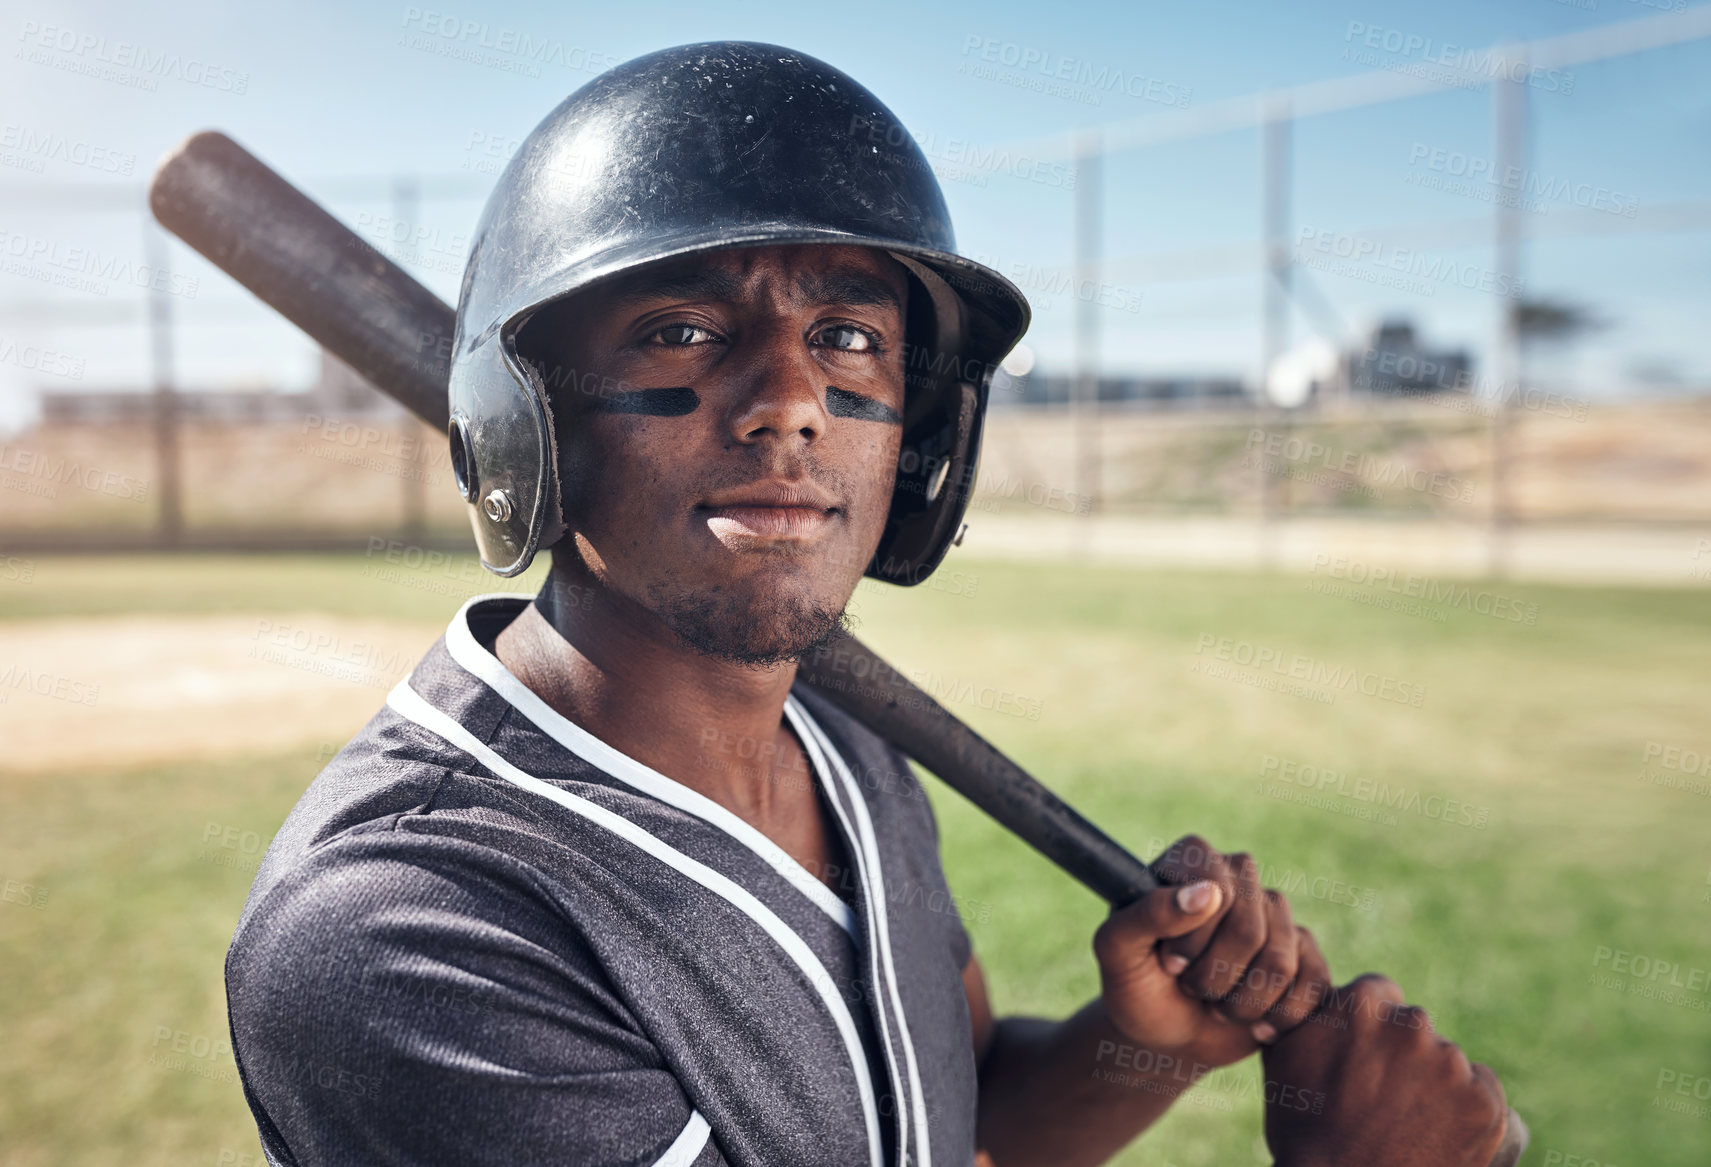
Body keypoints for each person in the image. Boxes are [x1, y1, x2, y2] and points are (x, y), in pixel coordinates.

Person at [224, 43, 1509, 1167]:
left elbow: (958, 1125)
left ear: (921, 427)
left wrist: (1143, 1048)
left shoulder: (847, 752)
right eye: (681, 329)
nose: (791, 400)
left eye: (848, 338)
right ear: (532, 419)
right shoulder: (407, 937)